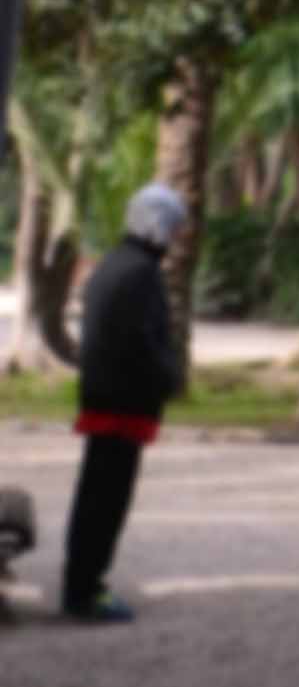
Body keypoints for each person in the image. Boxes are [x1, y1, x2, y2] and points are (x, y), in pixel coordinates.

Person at [62, 184, 186, 623]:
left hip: (105, 400)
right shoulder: (140, 273)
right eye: (173, 227)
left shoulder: (115, 264)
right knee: (105, 503)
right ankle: (84, 591)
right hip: (121, 407)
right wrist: (169, 378)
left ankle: (82, 584)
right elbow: (142, 341)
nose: (175, 237)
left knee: (95, 498)